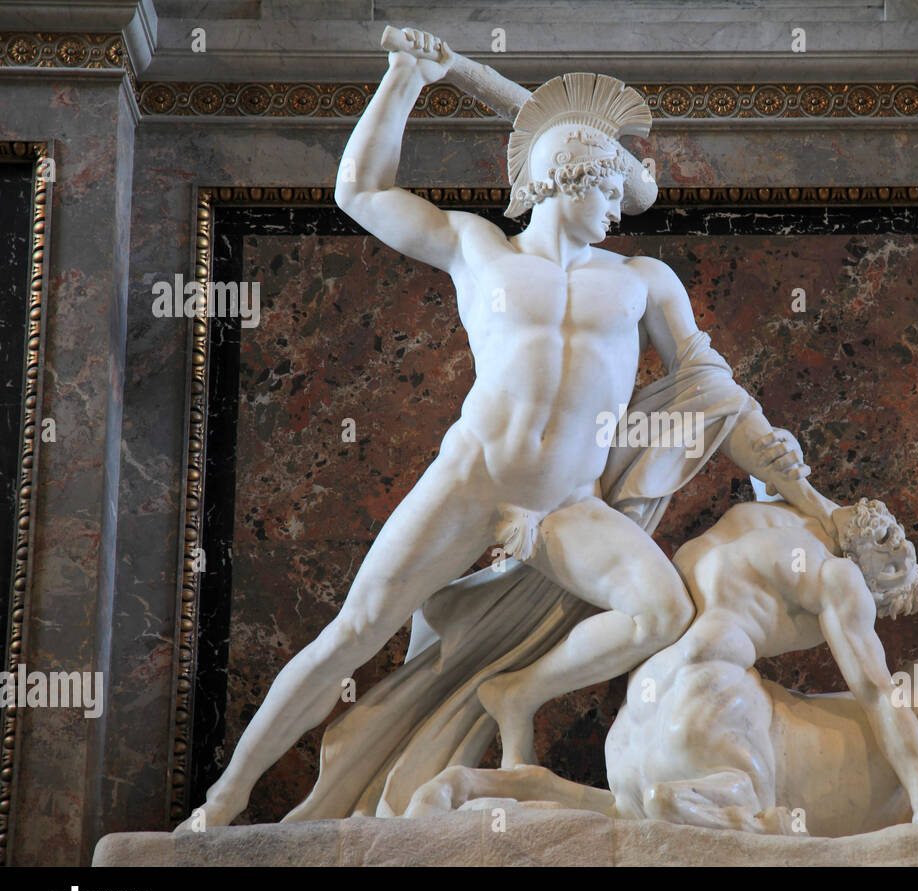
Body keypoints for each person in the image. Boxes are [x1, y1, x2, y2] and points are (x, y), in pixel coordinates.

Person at [186, 28, 836, 828]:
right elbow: (359, 190)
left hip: (568, 506)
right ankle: (222, 801)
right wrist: (406, 79)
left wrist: (780, 462)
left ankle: (515, 690)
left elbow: (710, 384)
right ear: (569, 179)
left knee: (662, 611)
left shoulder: (641, 282)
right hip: (472, 481)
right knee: (354, 630)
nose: (617, 213)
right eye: (607, 194)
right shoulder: (477, 249)